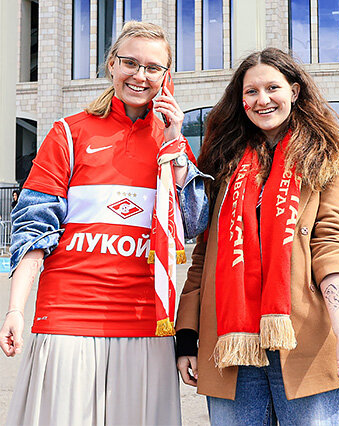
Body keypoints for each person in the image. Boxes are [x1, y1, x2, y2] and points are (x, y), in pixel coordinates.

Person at [2, 21, 208, 425]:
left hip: (146, 324)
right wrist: (14, 310)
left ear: (167, 78)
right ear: (111, 65)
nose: (140, 75)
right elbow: (33, 233)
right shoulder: (67, 133)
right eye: (130, 63)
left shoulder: (174, 145)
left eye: (153, 67)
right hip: (68, 318)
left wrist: (176, 145)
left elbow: (192, 226)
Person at [174, 47, 339, 425]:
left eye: (272, 88)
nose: (262, 100)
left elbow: (331, 244)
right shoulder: (223, 158)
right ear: (240, 99)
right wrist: (188, 336)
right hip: (230, 342)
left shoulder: (327, 154)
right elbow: (205, 252)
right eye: (251, 92)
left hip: (302, 335)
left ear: (294, 90)